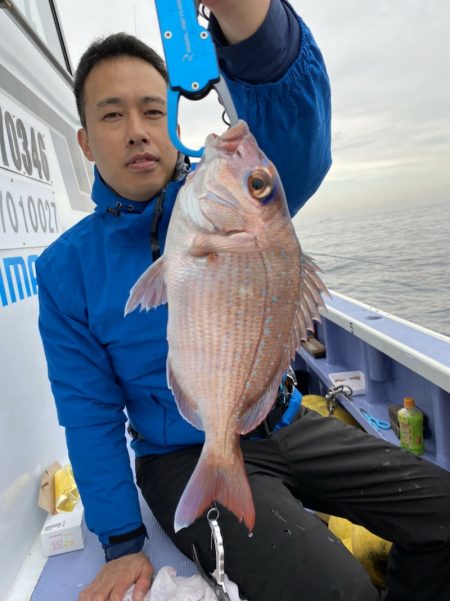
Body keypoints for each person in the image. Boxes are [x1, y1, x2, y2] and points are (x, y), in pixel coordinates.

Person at [36, 1, 450, 600]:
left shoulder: (223, 191)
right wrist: (122, 543)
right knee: (339, 592)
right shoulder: (66, 269)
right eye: (112, 114)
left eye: (153, 110)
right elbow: (89, 412)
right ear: (85, 141)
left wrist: (250, 20)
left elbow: (295, 139)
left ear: (172, 117)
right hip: (182, 456)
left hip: (282, 419)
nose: (137, 129)